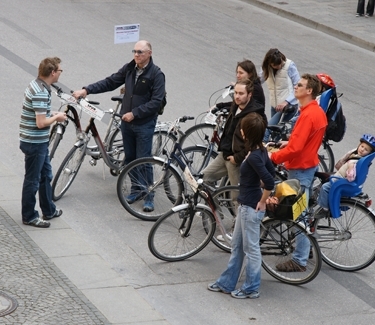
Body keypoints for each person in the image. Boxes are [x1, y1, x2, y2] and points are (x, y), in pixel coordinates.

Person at [73, 40, 165, 212]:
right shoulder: (130, 68)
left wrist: (135, 113)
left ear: (149, 53)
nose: (136, 55)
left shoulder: (156, 74)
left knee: (143, 160)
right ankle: (136, 189)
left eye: (140, 52)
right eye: (134, 51)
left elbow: (156, 102)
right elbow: (110, 81)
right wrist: (87, 90)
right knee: (130, 158)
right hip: (127, 123)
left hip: (143, 123)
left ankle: (149, 194)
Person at [207, 112, 275, 299]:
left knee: (251, 250)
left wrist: (262, 201)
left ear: (246, 133)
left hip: (250, 208)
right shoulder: (260, 151)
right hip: (246, 205)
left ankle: (251, 288)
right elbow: (271, 172)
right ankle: (227, 282)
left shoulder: (254, 156)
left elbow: (270, 182)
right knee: (237, 247)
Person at [269, 73, 327, 272]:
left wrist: (273, 157)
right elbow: (302, 142)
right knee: (301, 213)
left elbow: (296, 150)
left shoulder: (308, 115)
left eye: (300, 85)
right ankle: (304, 249)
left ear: (309, 91)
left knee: (298, 216)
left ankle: (300, 260)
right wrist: (288, 143)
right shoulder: (315, 111)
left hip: (300, 169)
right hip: (307, 166)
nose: (296, 86)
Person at [19, 57, 67, 228]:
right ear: (53, 72)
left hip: (37, 141)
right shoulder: (40, 91)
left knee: (46, 175)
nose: (60, 73)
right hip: (35, 142)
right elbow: (40, 123)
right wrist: (57, 117)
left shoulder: (37, 84)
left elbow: (38, 112)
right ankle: (29, 216)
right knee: (32, 180)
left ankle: (49, 209)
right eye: (60, 70)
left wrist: (50, 112)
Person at [202, 79, 267, 192]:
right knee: (203, 179)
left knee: (236, 197)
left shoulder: (253, 116)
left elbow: (253, 143)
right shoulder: (236, 105)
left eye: (241, 93)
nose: (237, 96)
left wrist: (236, 158)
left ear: (250, 94)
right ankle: (214, 209)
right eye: (236, 93)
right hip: (225, 154)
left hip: (236, 160)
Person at [315, 134, 375, 218]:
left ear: (369, 153)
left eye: (366, 150)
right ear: (359, 145)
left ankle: (324, 209)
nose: (362, 150)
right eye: (362, 146)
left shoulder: (354, 162)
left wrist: (350, 169)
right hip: (344, 180)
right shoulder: (362, 160)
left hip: (341, 181)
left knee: (324, 187)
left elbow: (351, 177)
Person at [259, 48, 300, 143]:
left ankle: (261, 153)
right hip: (275, 106)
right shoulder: (266, 68)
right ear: (269, 64)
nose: (279, 66)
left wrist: (286, 102)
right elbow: (258, 80)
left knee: (268, 129)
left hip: (288, 107)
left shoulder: (290, 65)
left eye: (280, 63)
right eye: (275, 65)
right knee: (275, 135)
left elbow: (298, 86)